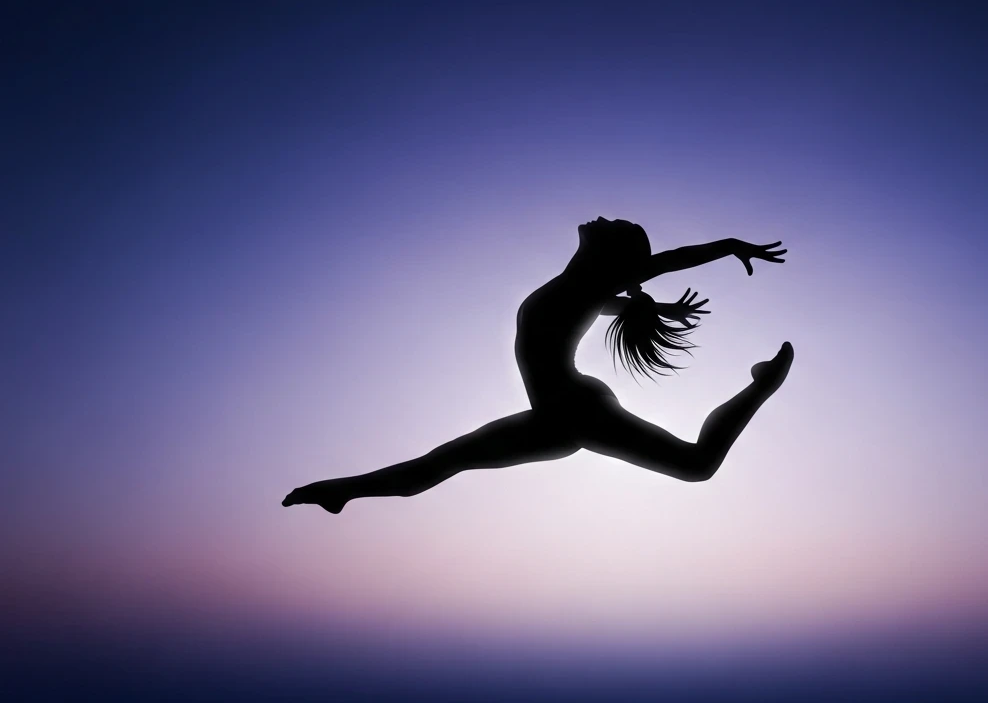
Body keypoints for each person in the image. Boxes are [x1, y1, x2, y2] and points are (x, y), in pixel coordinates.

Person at [283, 218, 792, 513]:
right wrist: (647, 307)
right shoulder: (579, 290)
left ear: (612, 258)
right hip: (553, 417)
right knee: (440, 464)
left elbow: (664, 262)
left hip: (574, 409)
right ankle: (342, 492)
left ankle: (761, 385)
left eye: (614, 226)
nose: (602, 218)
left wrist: (726, 247)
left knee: (696, 464)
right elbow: (603, 301)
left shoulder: (587, 284)